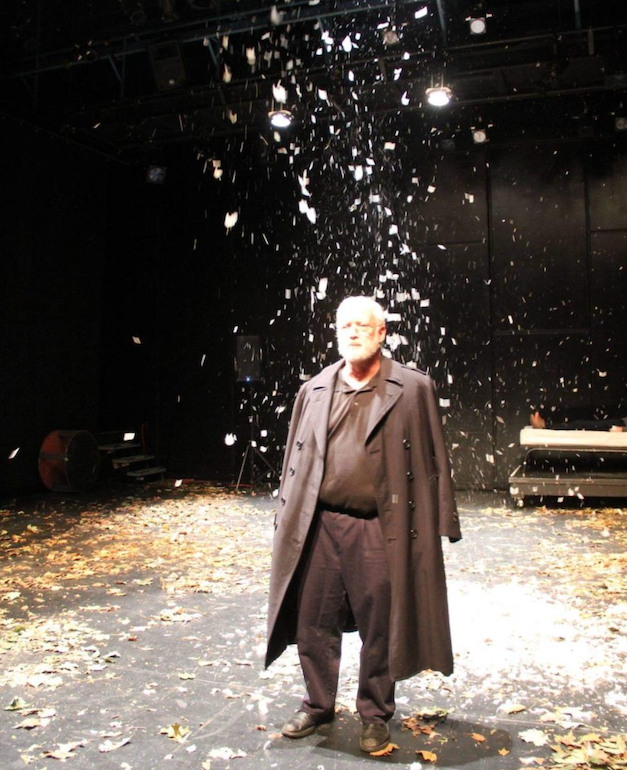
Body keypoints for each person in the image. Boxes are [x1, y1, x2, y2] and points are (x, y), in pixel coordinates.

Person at [265, 295, 461, 754]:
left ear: (381, 333)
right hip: (320, 525)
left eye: (362, 325)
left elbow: (435, 457)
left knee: (382, 625)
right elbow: (295, 458)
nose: (352, 332)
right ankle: (318, 703)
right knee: (314, 620)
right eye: (344, 326)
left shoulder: (411, 388)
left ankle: (375, 712)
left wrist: (444, 520)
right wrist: (284, 516)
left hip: (379, 526)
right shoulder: (314, 389)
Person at [530, 411, 626, 432]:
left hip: (621, 424)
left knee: (580, 425)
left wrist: (623, 430)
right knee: (580, 424)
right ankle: (546, 426)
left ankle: (546, 426)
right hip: (621, 422)